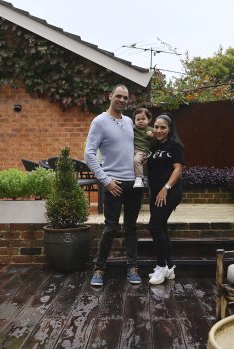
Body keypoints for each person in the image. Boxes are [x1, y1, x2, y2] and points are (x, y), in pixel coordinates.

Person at [84, 84, 144, 287]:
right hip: (114, 184)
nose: (122, 100)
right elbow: (89, 154)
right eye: (118, 96)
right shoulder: (99, 122)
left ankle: (132, 267)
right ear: (110, 96)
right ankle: (99, 268)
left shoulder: (128, 121)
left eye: (125, 97)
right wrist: (106, 180)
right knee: (110, 228)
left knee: (131, 228)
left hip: (134, 184)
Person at [146, 114, 185, 285]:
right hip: (155, 192)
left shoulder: (174, 145)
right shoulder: (154, 146)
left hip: (170, 191)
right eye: (156, 127)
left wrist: (166, 188)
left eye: (163, 127)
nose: (159, 130)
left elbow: (178, 169)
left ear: (169, 129)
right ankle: (169, 267)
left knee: (154, 226)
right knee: (161, 226)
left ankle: (161, 266)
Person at [132, 108, 155, 188]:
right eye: (138, 119)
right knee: (138, 163)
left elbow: (155, 144)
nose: (140, 121)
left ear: (149, 120)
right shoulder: (133, 128)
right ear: (134, 121)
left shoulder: (151, 130)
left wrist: (152, 137)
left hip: (142, 151)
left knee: (136, 160)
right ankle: (144, 179)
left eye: (143, 119)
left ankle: (138, 179)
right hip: (132, 151)